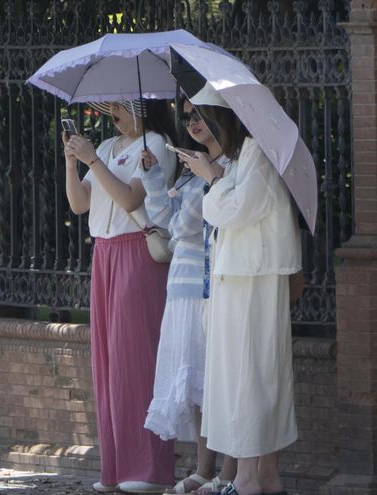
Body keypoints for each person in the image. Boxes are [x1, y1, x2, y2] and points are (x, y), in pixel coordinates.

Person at [177, 84, 301, 495]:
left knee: (253, 375)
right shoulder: (243, 157)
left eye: (205, 117)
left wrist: (212, 178)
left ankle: (250, 478)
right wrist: (217, 176)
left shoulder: (259, 155)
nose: (198, 125)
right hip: (239, 277)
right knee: (244, 375)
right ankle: (263, 476)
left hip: (254, 279)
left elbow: (235, 211)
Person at [63, 99, 177, 494]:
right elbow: (79, 204)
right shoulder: (110, 147)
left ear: (142, 107)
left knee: (138, 358)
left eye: (122, 103)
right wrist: (72, 162)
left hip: (136, 252)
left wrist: (92, 161)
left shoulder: (156, 144)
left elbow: (131, 199)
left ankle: (150, 469)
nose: (113, 109)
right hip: (105, 253)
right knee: (108, 361)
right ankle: (115, 468)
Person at [139, 96, 237, 495]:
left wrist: (189, 198)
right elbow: (163, 219)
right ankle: (202, 466)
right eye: (188, 118)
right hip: (178, 288)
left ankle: (228, 471)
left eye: (200, 116)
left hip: (206, 285)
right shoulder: (189, 170)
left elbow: (191, 223)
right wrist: (152, 177)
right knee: (193, 382)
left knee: (217, 379)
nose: (193, 123)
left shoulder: (222, 167)